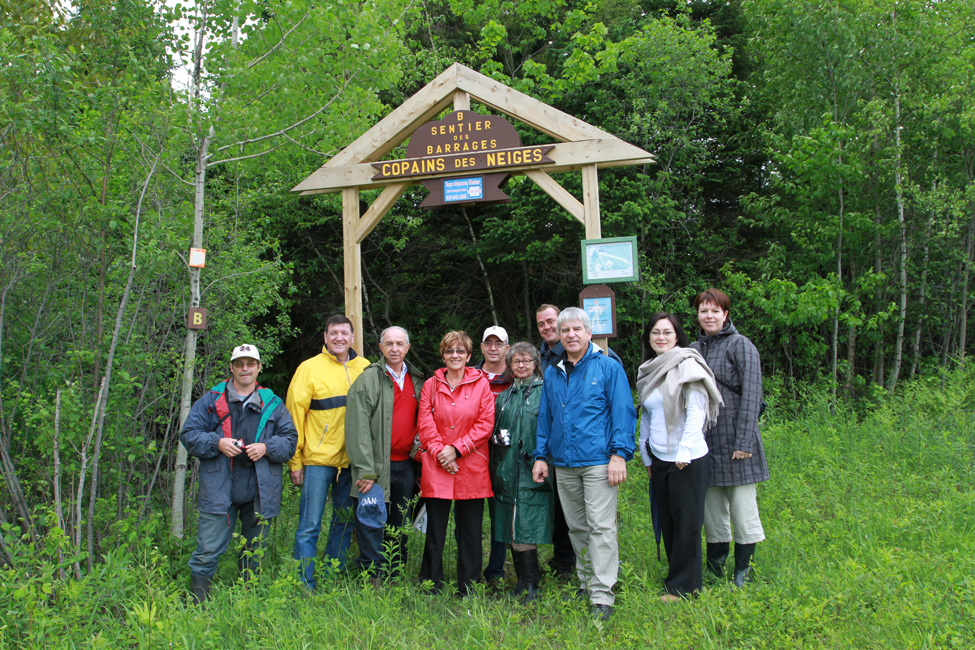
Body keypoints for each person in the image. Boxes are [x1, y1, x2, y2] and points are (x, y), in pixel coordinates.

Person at [532, 307, 637, 621]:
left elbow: (623, 412)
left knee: (601, 527)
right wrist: (541, 455)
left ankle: (603, 594)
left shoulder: (607, 367)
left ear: (589, 333)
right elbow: (545, 418)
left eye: (577, 329)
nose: (571, 335)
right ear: (560, 337)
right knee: (577, 527)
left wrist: (619, 454)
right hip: (564, 463)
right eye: (566, 331)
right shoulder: (553, 372)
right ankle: (587, 581)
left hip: (598, 462)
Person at [181, 344, 297, 604]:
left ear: (259, 367)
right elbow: (188, 435)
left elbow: (290, 440)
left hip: (259, 490)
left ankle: (248, 602)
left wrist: (267, 447)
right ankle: (198, 605)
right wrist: (217, 443)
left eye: (250, 363)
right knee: (208, 549)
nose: (245, 369)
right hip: (219, 488)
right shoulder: (211, 400)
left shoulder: (273, 403)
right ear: (231, 368)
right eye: (240, 364)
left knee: (254, 551)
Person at [636, 313, 722, 601]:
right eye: (656, 332)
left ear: (677, 336)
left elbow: (697, 410)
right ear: (648, 337)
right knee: (669, 521)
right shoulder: (647, 369)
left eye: (667, 332)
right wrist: (645, 454)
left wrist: (684, 450)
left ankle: (685, 588)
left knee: (687, 523)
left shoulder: (688, 364)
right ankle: (677, 576)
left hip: (688, 458)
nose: (661, 337)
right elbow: (647, 415)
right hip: (660, 457)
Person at [690, 289, 769, 587]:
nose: (708, 316)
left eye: (714, 311)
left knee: (743, 509)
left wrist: (744, 442)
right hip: (705, 441)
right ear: (697, 315)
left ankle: (742, 573)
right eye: (703, 311)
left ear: (725, 314)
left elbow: (752, 395)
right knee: (713, 510)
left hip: (737, 440)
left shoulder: (741, 346)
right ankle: (715, 569)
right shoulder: (694, 349)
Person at [288, 314, 371, 589]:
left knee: (345, 522)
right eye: (333, 333)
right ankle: (304, 583)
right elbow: (293, 417)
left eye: (344, 333)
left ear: (352, 337)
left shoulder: (366, 368)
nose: (339, 338)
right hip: (317, 461)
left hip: (351, 463)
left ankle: (330, 578)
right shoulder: (308, 368)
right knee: (309, 525)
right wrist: (295, 461)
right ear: (325, 337)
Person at [417, 331, 495, 596]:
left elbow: (485, 423)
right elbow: (425, 422)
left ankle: (469, 586)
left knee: (471, 531)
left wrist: (456, 450)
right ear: (443, 355)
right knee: (435, 530)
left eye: (460, 351)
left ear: (469, 356)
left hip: (470, 464)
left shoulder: (481, 384)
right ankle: (430, 584)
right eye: (450, 351)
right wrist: (441, 452)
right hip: (437, 464)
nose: (455, 356)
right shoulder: (430, 385)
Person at [345, 326, 423, 580]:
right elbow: (358, 428)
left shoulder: (417, 380)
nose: (394, 349)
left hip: (406, 467)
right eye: (389, 343)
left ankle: (394, 574)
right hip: (375, 468)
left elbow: (426, 420)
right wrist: (366, 469)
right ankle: (372, 577)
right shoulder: (367, 380)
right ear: (380, 348)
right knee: (371, 520)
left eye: (400, 344)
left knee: (400, 522)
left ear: (407, 348)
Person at [489, 342, 553, 603]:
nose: (522, 366)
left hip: (534, 470)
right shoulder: (504, 397)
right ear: (510, 365)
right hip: (506, 470)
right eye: (516, 361)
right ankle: (522, 580)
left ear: (536, 363)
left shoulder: (546, 392)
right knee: (512, 526)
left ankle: (532, 583)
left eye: (527, 361)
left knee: (527, 524)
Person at [534, 304, 575, 579]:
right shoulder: (537, 356)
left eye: (551, 322)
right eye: (542, 324)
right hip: (543, 438)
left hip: (570, 442)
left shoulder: (576, 354)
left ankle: (569, 561)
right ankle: (561, 556)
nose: (547, 327)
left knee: (569, 505)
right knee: (554, 502)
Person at [476, 325, 513, 586]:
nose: (493, 348)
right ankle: (469, 567)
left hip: (506, 456)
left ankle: (496, 570)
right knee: (472, 515)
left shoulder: (517, 376)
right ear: (481, 348)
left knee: (502, 514)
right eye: (488, 343)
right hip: (475, 455)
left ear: (507, 348)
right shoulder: (470, 376)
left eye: (498, 344)